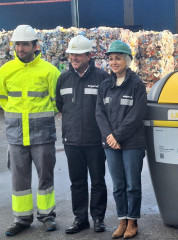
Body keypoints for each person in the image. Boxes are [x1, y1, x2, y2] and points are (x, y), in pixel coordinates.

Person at [0, 25, 60, 236]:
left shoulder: (50, 71)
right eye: (18, 44)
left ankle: (47, 216)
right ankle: (22, 219)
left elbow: (56, 103)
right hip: (16, 135)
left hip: (42, 134)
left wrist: (40, 118)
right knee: (19, 180)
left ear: (35, 46)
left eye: (25, 44)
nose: (21, 48)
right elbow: (3, 99)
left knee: (45, 177)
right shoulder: (5, 71)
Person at [56, 35, 109, 234]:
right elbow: (60, 105)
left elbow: (108, 108)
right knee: (77, 183)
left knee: (97, 181)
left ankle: (98, 219)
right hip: (72, 141)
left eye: (79, 54)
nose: (74, 58)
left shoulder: (102, 78)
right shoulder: (64, 78)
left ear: (89, 55)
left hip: (95, 140)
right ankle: (80, 219)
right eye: (72, 54)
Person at [96, 40, 147, 239]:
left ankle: (133, 221)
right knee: (118, 184)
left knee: (132, 184)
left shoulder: (136, 84)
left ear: (127, 60)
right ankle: (122, 220)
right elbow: (99, 113)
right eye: (111, 59)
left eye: (118, 58)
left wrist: (117, 136)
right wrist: (110, 137)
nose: (114, 62)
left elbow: (137, 113)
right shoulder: (105, 85)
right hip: (111, 144)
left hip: (132, 143)